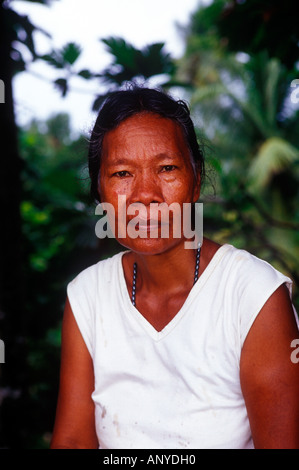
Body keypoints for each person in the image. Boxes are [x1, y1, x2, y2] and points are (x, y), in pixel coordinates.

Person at [50, 86, 299, 449]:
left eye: (166, 168)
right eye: (122, 174)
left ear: (196, 180)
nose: (145, 195)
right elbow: (72, 440)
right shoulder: (89, 297)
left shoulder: (252, 298)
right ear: (99, 191)